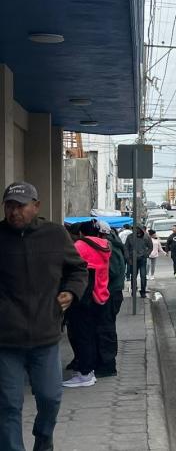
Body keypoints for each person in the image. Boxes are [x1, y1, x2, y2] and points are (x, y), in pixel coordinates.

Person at [0, 182, 88, 451]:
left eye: (20, 206)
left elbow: (78, 269)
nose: (14, 212)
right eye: (9, 206)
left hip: (45, 335)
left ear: (36, 207)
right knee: (8, 404)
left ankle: (43, 438)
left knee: (50, 398)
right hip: (5, 340)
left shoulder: (55, 235)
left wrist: (71, 292)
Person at [64, 221, 111, 388]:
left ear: (81, 233)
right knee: (90, 335)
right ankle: (88, 371)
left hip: (84, 296)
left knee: (82, 336)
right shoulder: (104, 245)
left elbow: (68, 266)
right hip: (99, 294)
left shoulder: (81, 246)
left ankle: (85, 373)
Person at [96, 221, 126, 377]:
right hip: (111, 292)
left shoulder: (109, 247)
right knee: (105, 327)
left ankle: (108, 365)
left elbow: (112, 271)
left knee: (106, 329)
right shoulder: (111, 244)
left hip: (110, 292)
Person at [125, 226, 153, 298]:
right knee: (133, 276)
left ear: (140, 229)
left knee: (143, 276)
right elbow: (126, 248)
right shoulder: (129, 237)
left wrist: (146, 254)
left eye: (136, 229)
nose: (134, 230)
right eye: (133, 229)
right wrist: (128, 258)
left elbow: (150, 247)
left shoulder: (146, 237)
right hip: (133, 260)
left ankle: (143, 291)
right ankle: (133, 290)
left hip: (142, 260)